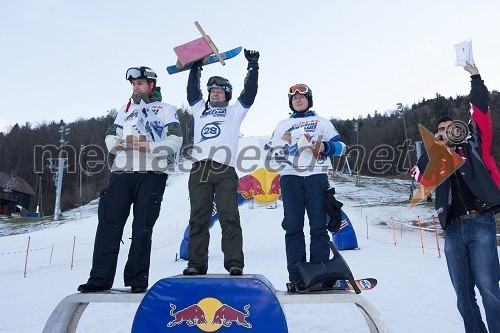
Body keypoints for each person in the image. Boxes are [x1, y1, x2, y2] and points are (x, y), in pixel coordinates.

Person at [78, 66, 183, 293]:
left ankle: (137, 280)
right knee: (108, 224)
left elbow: (176, 139)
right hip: (122, 171)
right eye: (133, 84)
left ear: (151, 85)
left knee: (142, 226)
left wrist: (151, 147)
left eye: (140, 83)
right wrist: (114, 146)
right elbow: (109, 134)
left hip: (152, 172)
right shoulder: (125, 109)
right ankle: (99, 279)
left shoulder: (166, 109)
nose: (136, 87)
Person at [412, 62, 500, 332]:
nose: (445, 132)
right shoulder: (434, 160)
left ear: (460, 130)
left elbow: (482, 111)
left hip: (480, 223)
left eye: (450, 128)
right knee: (464, 298)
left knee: (489, 291)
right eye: (440, 130)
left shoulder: (474, 145)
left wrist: (475, 77)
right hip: (451, 229)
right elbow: (417, 176)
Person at [182, 49, 259, 276]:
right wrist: (196, 67)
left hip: (224, 170)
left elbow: (250, 93)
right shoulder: (200, 110)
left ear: (227, 95)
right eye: (212, 92)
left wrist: (253, 67)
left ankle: (234, 262)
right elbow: (192, 92)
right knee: (198, 219)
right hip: (200, 169)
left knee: (229, 216)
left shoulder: (235, 112)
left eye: (219, 92)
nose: (215, 94)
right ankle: (196, 263)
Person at [267, 83, 346, 291]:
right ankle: (297, 277)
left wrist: (324, 146)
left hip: (316, 176)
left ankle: (318, 275)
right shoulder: (283, 124)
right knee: (293, 228)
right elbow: (271, 154)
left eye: (302, 97)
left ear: (309, 99)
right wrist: (281, 145)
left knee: (318, 227)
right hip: (290, 177)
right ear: (291, 103)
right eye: (294, 98)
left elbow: (341, 147)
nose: (298, 100)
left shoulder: (322, 122)